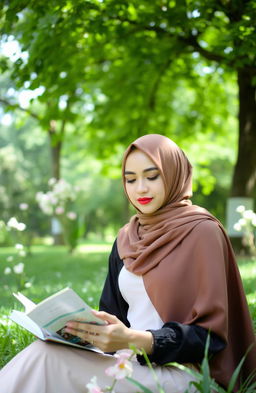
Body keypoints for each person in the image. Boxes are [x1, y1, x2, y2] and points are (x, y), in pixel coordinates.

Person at [0, 134, 255, 393]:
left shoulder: (202, 231)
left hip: (187, 373)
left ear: (174, 174)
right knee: (45, 350)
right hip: (128, 363)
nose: (140, 188)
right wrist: (80, 332)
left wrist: (139, 340)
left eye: (152, 176)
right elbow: (113, 317)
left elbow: (210, 337)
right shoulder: (126, 237)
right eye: (130, 179)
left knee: (47, 361)